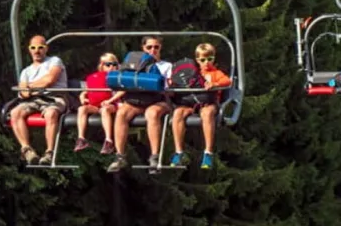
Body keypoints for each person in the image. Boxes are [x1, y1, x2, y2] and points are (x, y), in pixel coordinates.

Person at [111, 36, 174, 172]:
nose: (153, 50)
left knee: (152, 113)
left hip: (159, 101)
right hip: (136, 101)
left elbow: (171, 89)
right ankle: (120, 156)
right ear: (143, 48)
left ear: (160, 48)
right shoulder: (134, 64)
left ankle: (154, 156)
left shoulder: (166, 66)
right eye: (149, 47)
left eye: (156, 47)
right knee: (121, 113)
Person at [170, 42, 233, 169]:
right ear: (197, 60)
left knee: (207, 113)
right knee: (177, 113)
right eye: (203, 59)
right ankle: (179, 152)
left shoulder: (216, 73)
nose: (206, 62)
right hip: (190, 103)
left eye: (210, 59)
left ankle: (208, 152)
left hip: (208, 103)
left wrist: (214, 84)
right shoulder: (192, 73)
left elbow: (227, 80)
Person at [10, 35, 67, 164]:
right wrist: (30, 90)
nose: (37, 51)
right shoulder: (26, 71)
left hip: (54, 98)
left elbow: (49, 80)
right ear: (29, 50)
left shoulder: (54, 61)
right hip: (33, 100)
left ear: (46, 49)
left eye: (40, 47)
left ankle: (49, 152)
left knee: (51, 114)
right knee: (15, 113)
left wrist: (29, 87)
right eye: (33, 48)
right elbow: (23, 93)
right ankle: (26, 149)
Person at [75, 53, 127, 156]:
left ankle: (108, 140)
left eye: (114, 64)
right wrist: (82, 96)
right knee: (82, 109)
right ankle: (81, 138)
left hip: (112, 104)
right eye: (108, 64)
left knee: (105, 110)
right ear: (102, 65)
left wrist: (110, 100)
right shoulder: (95, 77)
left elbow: (122, 91)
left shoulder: (118, 77)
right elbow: (86, 90)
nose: (111, 67)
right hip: (96, 105)